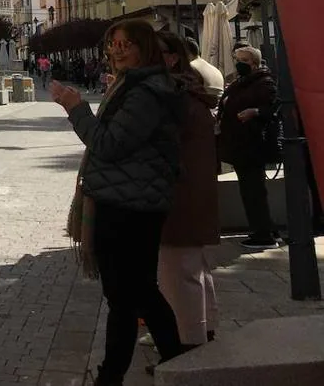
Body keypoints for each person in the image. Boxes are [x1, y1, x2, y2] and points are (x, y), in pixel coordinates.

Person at [51, 19, 186, 385]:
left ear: (146, 48)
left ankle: (113, 376)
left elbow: (109, 144)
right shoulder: (135, 87)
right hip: (129, 201)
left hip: (129, 208)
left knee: (127, 297)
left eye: (127, 43)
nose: (118, 50)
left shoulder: (146, 93)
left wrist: (76, 108)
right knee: (136, 294)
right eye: (114, 43)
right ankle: (173, 361)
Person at [150, 33, 220, 349]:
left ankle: (188, 343)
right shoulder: (188, 94)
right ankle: (204, 329)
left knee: (178, 275)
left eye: (154, 52)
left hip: (177, 198)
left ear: (172, 58)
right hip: (192, 194)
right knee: (193, 269)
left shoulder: (174, 99)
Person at [217, 45, 280, 250]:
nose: (238, 63)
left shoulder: (264, 83)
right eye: (237, 59)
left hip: (252, 145)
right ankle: (264, 229)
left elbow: (272, 109)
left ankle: (263, 234)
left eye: (243, 60)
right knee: (249, 190)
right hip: (240, 145)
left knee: (254, 191)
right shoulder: (241, 83)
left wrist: (255, 111)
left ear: (254, 63)